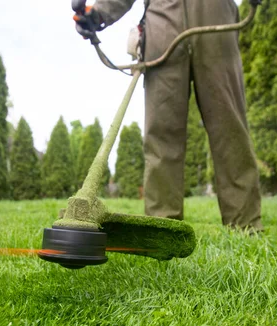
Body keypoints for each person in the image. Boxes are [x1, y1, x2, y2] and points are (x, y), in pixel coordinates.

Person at [75, 0, 263, 232]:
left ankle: (246, 227)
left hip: (216, 17)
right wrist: (98, 13)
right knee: (161, 131)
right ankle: (161, 229)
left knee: (230, 127)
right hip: (162, 23)